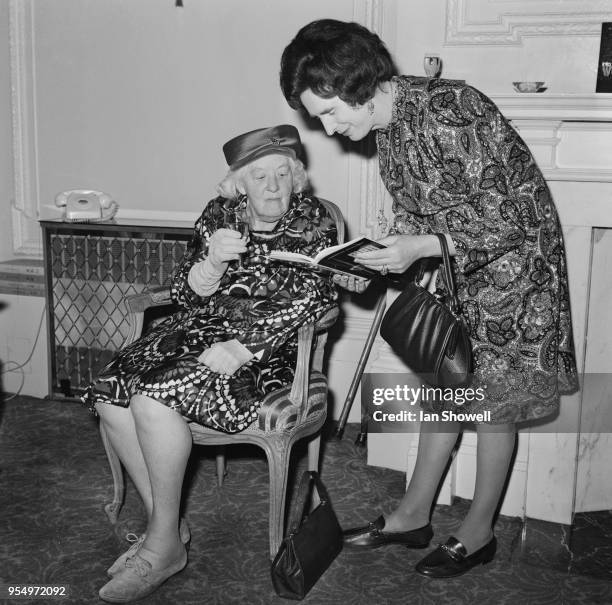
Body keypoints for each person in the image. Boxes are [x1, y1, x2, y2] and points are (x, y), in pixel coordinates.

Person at [280, 20, 578, 578]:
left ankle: (478, 530)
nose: (325, 127)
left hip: (514, 278)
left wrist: (421, 243)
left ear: (359, 86)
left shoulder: (453, 109)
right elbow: (430, 206)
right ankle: (414, 516)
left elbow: (513, 217)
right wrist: (386, 242)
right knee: (445, 388)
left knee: (493, 406)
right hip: (456, 276)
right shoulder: (388, 127)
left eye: (328, 111)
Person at [82, 124, 339, 602]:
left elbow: (315, 293)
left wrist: (243, 347)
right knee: (111, 391)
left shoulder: (313, 218)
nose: (272, 186)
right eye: (258, 175)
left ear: (296, 176)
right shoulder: (219, 213)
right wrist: (212, 266)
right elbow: (184, 291)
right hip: (199, 332)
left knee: (152, 400)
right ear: (238, 182)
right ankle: (168, 529)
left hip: (269, 350)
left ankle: (160, 548)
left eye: (282, 173)